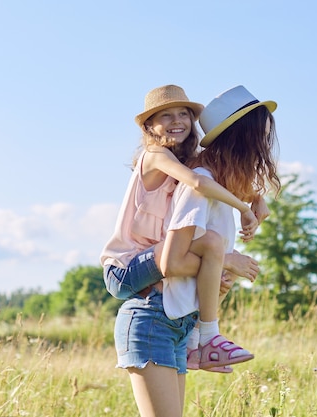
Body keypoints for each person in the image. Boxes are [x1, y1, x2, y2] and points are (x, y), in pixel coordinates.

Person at [116, 85, 280, 416]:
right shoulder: (172, 165)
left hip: (175, 322)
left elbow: (211, 184)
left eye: (183, 115)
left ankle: (200, 340)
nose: (265, 146)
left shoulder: (194, 170)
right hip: (138, 291)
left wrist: (253, 198)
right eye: (260, 137)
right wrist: (226, 257)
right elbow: (173, 260)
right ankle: (208, 337)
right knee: (214, 247)